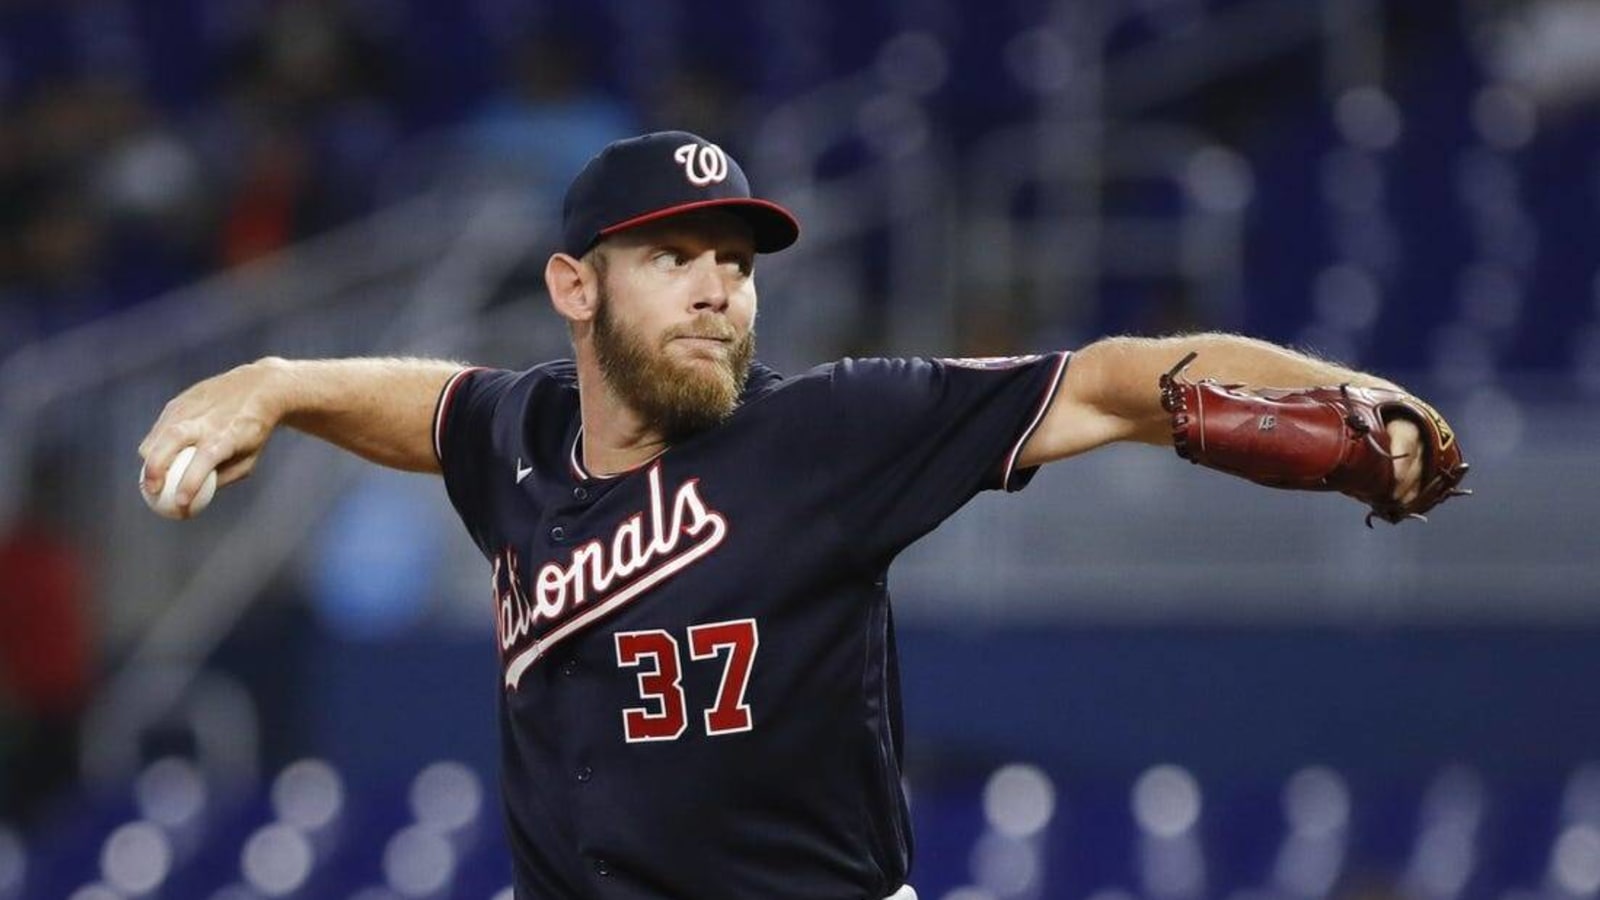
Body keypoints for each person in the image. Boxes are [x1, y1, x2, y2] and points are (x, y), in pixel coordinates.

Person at [138, 131, 1466, 899]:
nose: (720, 287)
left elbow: (1115, 382)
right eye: (674, 257)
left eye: (737, 261)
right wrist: (279, 382)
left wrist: (1352, 394)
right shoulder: (520, 436)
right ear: (575, 287)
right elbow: (421, 407)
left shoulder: (831, 431)